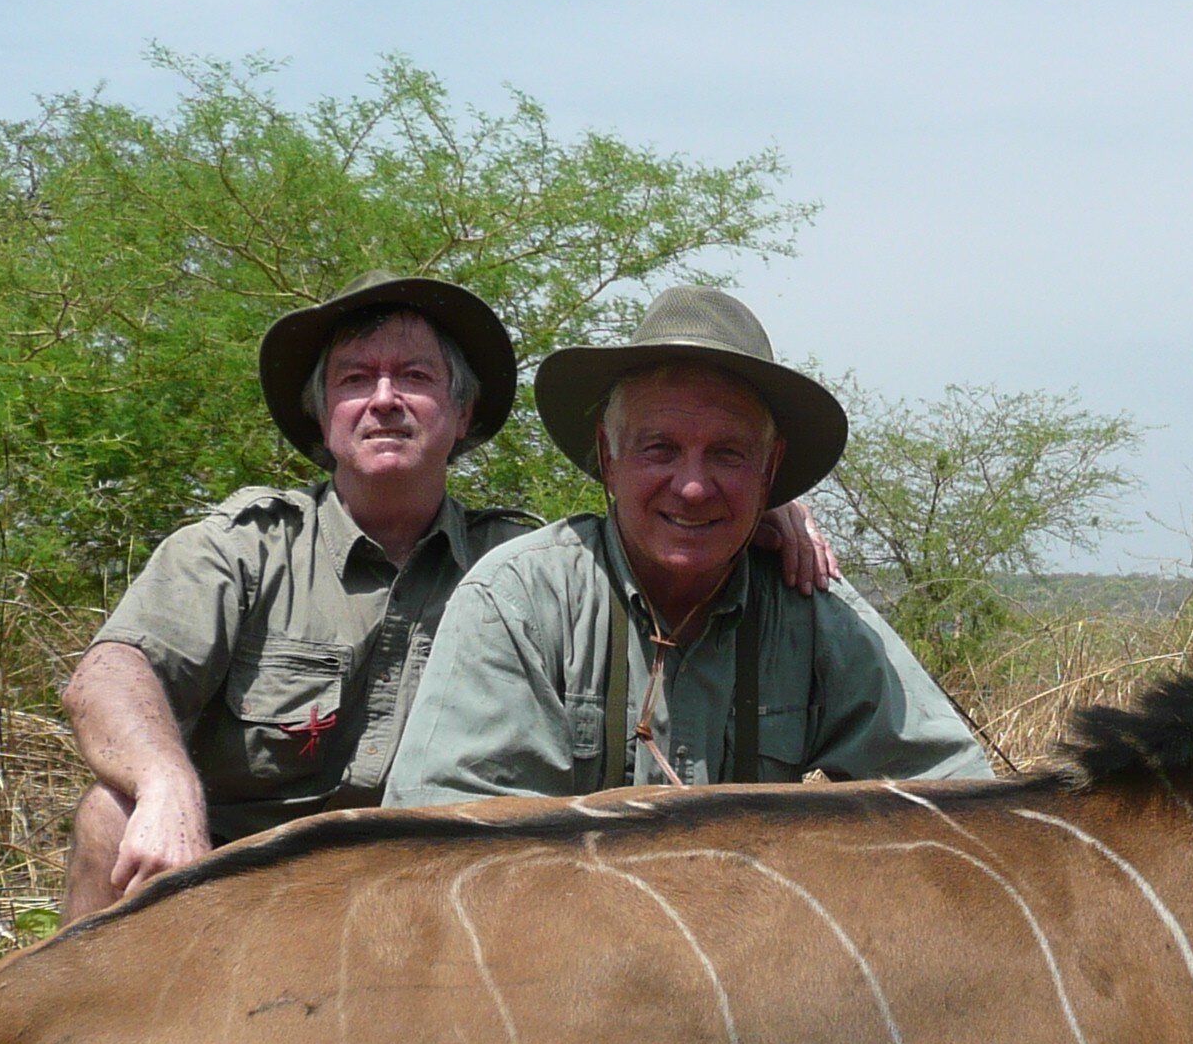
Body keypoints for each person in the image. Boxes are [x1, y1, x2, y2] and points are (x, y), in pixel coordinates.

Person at [59, 272, 840, 923]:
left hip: (431, 908)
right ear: (321, 412)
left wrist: (753, 505)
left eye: (417, 378)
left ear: (463, 414)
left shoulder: (526, 565)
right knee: (110, 812)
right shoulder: (244, 548)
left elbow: (651, 525)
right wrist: (167, 785)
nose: (385, 400)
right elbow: (110, 674)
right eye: (356, 379)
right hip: (229, 886)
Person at [385, 286, 991, 805]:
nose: (695, 487)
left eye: (729, 453)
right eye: (660, 449)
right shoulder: (519, 599)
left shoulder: (809, 608)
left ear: (769, 467)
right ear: (607, 457)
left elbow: (959, 800)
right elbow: (441, 846)